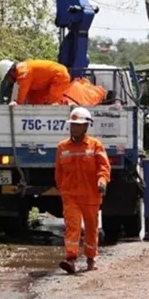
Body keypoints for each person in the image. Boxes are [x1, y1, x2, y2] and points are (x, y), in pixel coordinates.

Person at [55, 107, 110, 274]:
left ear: (86, 127)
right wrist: (64, 190)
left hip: (91, 196)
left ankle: (91, 258)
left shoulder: (95, 146)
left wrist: (102, 181)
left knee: (91, 228)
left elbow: (103, 167)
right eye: (73, 125)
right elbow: (59, 173)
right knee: (73, 226)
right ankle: (70, 259)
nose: (75, 128)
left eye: (78, 125)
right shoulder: (62, 147)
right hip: (71, 196)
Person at [0, 58, 107, 107]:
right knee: (37, 98)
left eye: (8, 78)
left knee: (51, 104)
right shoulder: (23, 69)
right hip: (53, 78)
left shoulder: (23, 71)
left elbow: (23, 89)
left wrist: (18, 103)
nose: (9, 81)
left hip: (59, 76)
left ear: (10, 73)